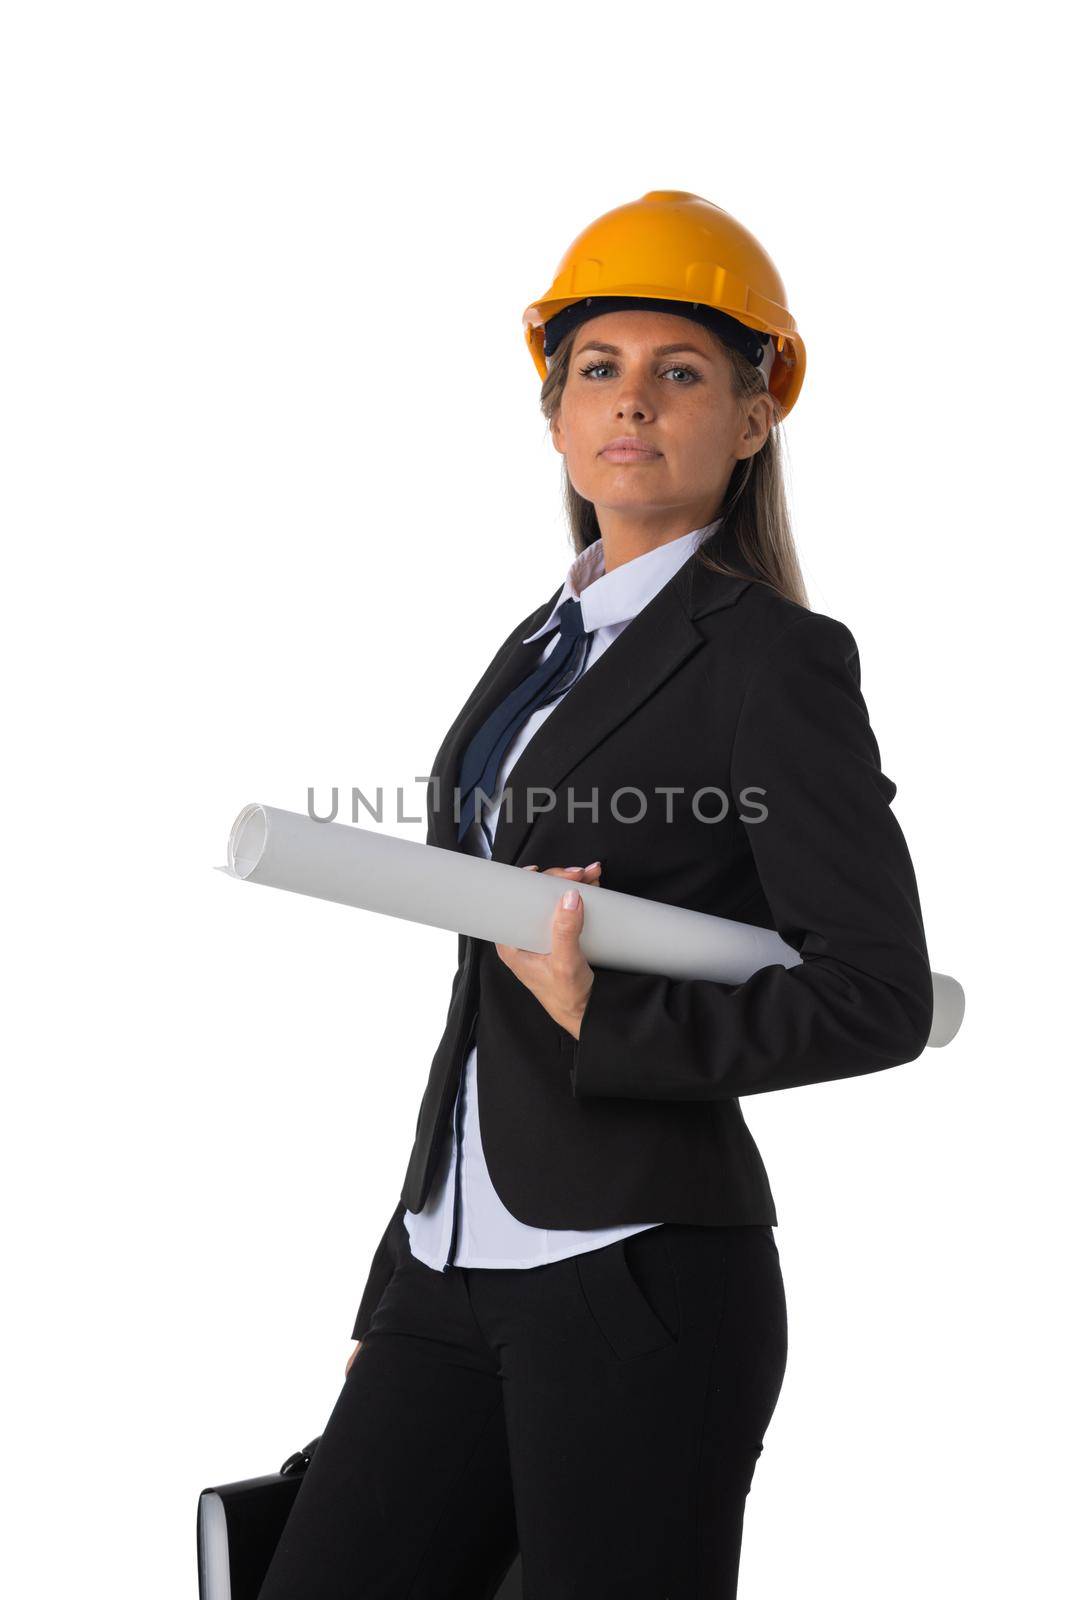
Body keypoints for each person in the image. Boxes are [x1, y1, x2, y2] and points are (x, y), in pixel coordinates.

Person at [257, 191, 934, 1600]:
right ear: (556, 415)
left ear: (752, 421)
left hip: (637, 1276)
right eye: (598, 372)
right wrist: (400, 1282)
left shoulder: (775, 662)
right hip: (455, 1259)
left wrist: (608, 1019)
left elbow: (874, 994)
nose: (632, 403)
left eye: (680, 373)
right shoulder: (540, 644)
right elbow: (475, 993)